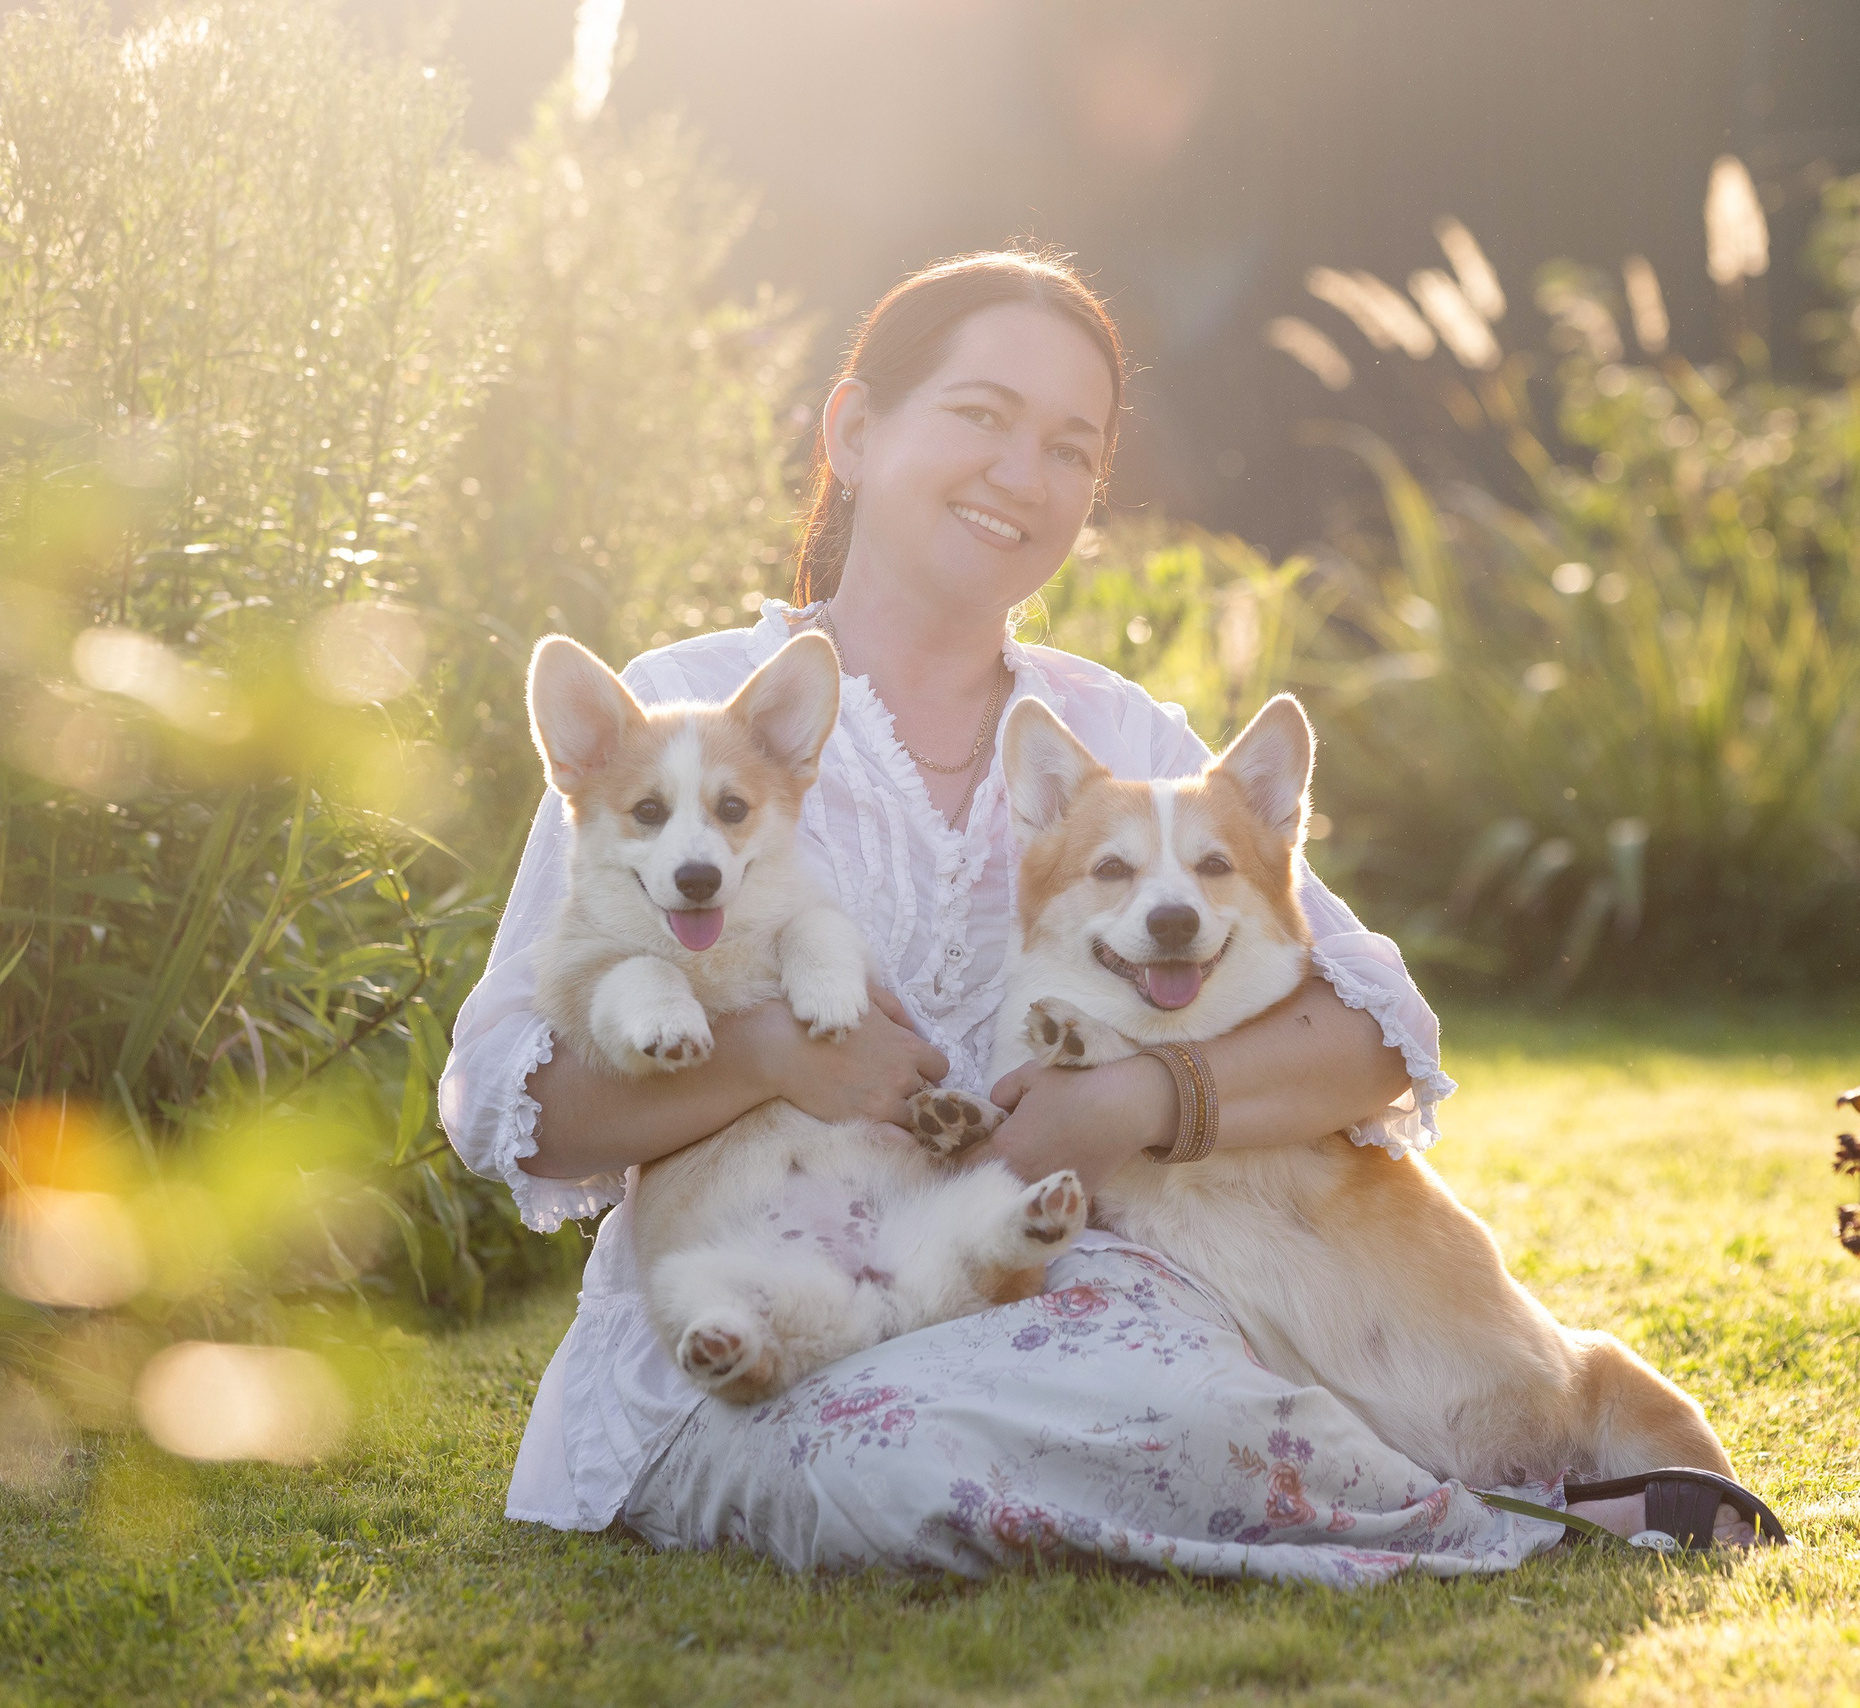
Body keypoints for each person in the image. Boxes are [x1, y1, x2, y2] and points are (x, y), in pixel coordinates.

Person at [438, 249, 1740, 1582]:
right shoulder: (687, 715)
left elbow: (1364, 1032)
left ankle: (1500, 1490)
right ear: (855, 428)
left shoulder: (1120, 734)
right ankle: (1473, 1530)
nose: (1023, 474)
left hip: (1033, 1287)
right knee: (900, 1465)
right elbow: (518, 1103)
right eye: (982, 415)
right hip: (762, 1311)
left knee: (1191, 1399)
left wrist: (1129, 1104)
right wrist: (774, 1055)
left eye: (1072, 448)